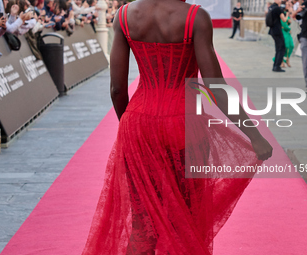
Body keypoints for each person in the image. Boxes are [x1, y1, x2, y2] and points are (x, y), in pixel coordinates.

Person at [81, 0, 273, 254]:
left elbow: (117, 89)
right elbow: (215, 86)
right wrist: (254, 134)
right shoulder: (195, 17)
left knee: (142, 224)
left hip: (139, 121)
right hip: (184, 125)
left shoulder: (125, 16)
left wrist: (131, 129)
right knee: (185, 219)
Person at [273, 0, 295, 67]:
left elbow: (287, 22)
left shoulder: (287, 12)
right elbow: (283, 23)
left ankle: (287, 59)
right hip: (283, 31)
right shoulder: (282, 12)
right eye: (288, 4)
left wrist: (289, 22)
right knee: (285, 46)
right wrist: (288, 28)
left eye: (289, 4)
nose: (289, 5)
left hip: (287, 32)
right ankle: (281, 60)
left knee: (291, 45)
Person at [269, 0, 289, 72]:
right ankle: (277, 66)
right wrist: (287, 14)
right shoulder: (278, 8)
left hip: (272, 30)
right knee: (281, 48)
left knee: (278, 48)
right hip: (277, 31)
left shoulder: (271, 7)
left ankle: (275, 65)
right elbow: (284, 20)